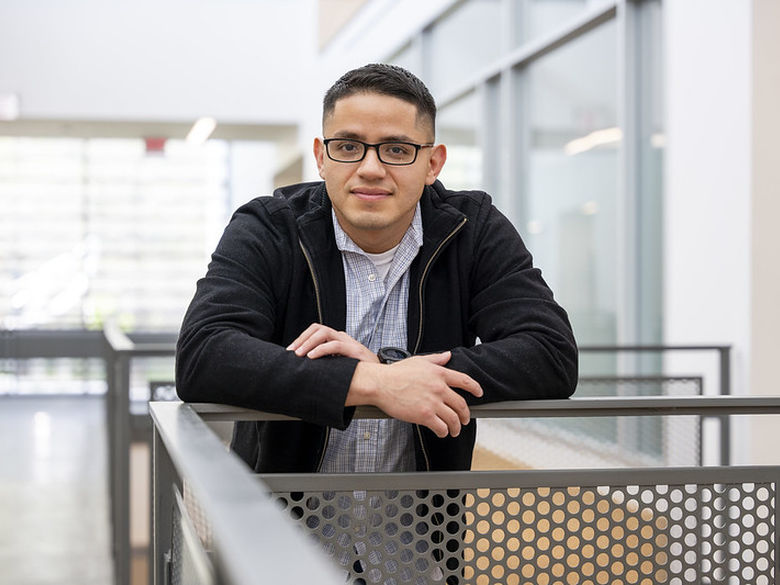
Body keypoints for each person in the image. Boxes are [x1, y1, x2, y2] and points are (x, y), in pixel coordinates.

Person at [175, 63, 578, 474]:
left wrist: (394, 369)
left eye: (397, 150)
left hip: (424, 529)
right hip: (278, 525)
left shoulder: (473, 229)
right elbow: (203, 354)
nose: (370, 168)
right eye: (348, 147)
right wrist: (374, 383)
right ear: (321, 157)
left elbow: (550, 353)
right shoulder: (268, 227)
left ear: (433, 164)